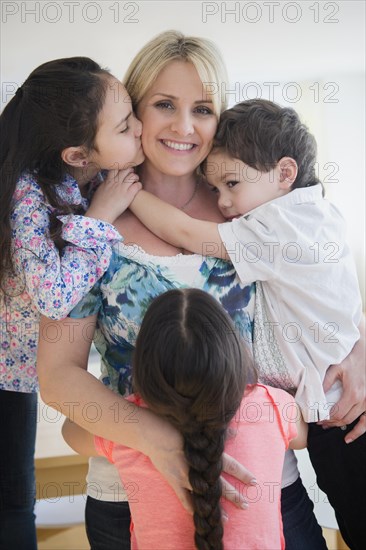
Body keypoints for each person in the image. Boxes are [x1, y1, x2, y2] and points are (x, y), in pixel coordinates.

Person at [37, 31, 364, 550]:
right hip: (129, 497)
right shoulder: (86, 223)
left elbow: (326, 283)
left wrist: (361, 350)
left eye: (204, 109)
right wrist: (156, 439)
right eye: (164, 104)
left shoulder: (251, 208)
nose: (184, 127)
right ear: (135, 112)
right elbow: (56, 377)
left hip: (266, 489)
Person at [128, 98, 366, 548]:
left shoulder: (277, 226)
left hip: (342, 419)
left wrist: (129, 191)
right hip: (335, 409)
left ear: (284, 173)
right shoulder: (318, 213)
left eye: (232, 183)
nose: (224, 202)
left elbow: (183, 231)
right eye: (215, 189)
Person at [0, 56, 143, 549]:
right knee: (13, 502)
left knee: (16, 494)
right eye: (126, 125)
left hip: (21, 370)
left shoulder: (91, 177)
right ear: (79, 154)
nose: (140, 128)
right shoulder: (30, 193)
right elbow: (53, 295)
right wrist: (100, 218)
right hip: (3, 370)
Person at [63, 288, 308, 550]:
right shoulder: (271, 407)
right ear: (233, 354)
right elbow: (302, 436)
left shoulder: (130, 428)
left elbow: (71, 432)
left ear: (144, 368)